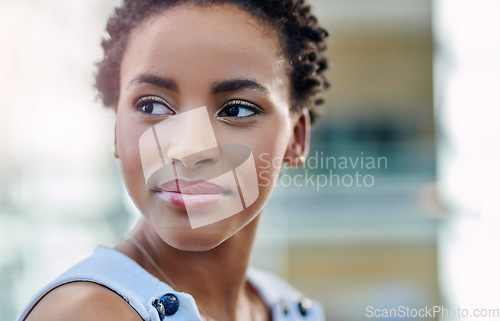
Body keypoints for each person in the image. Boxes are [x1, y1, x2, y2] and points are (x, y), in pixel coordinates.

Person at [17, 0, 328, 320]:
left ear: (296, 138)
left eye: (236, 109)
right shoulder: (85, 313)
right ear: (115, 131)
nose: (188, 150)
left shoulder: (289, 307)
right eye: (152, 107)